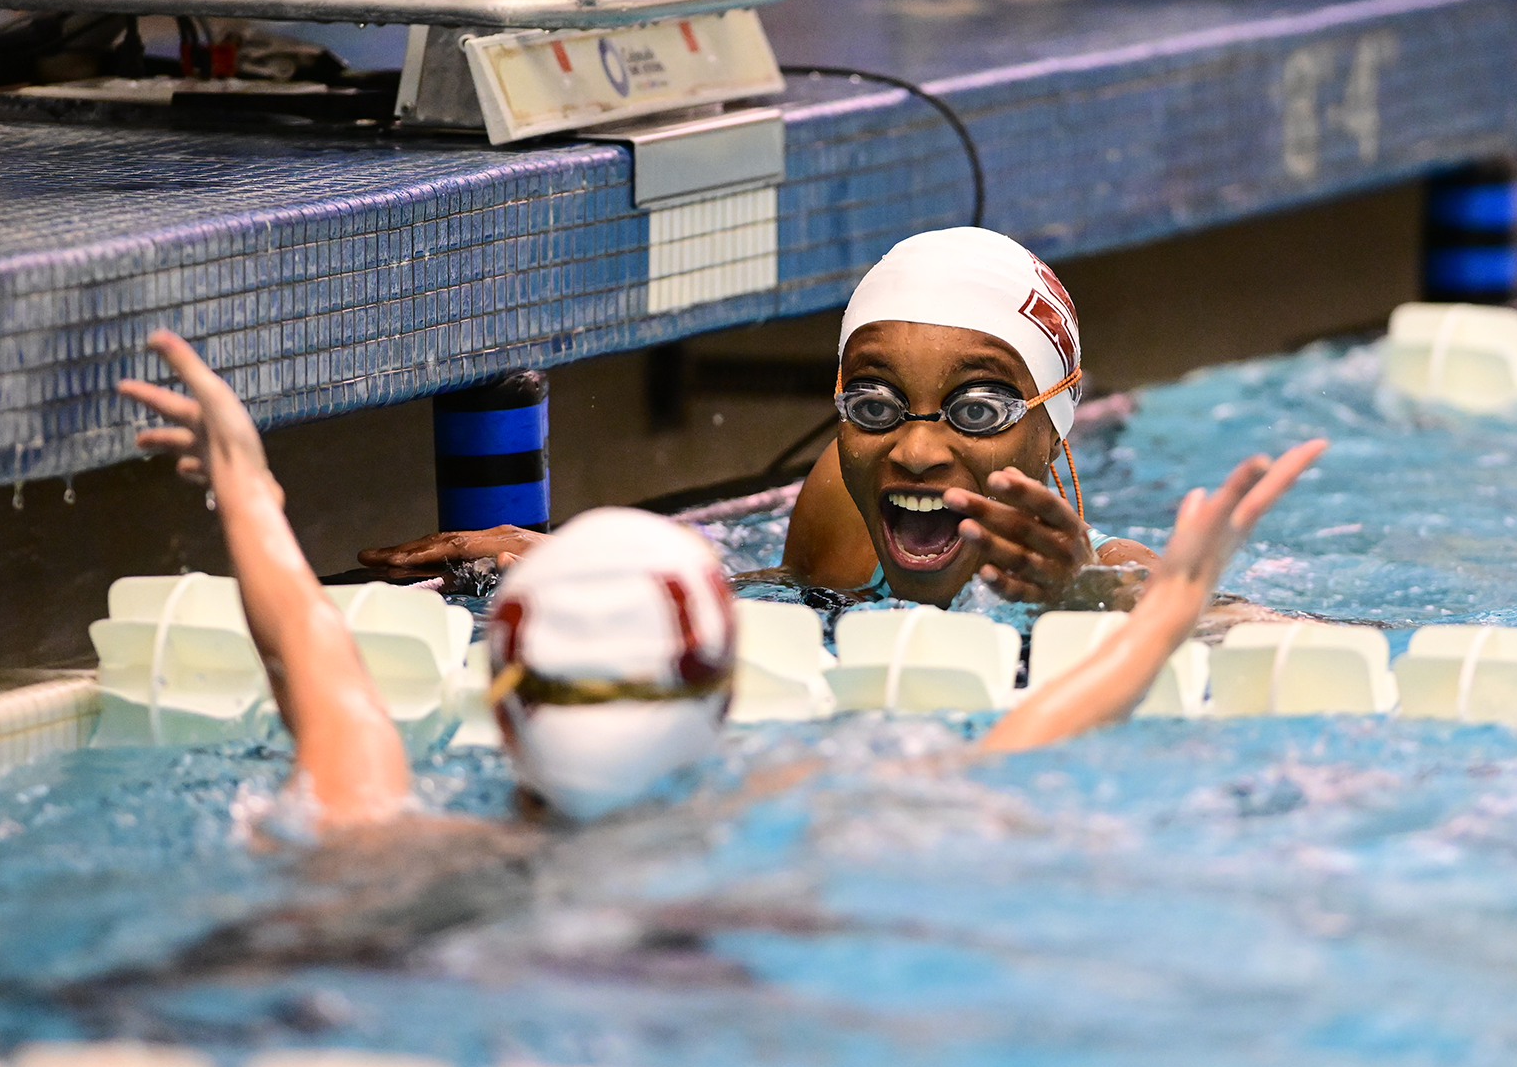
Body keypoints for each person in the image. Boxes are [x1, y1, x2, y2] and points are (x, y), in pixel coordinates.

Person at [121, 329, 1324, 835]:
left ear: (494, 690)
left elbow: (324, 677)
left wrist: (248, 482)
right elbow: (1019, 740)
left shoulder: (389, 830)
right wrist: (1163, 610)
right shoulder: (763, 817)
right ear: (718, 697)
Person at [361, 228, 1265, 615]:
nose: (913, 447)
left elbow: (1320, 646)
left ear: (1053, 427)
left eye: (979, 408)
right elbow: (774, 600)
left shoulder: (1117, 582)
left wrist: (1080, 598)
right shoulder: (848, 514)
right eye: (872, 404)